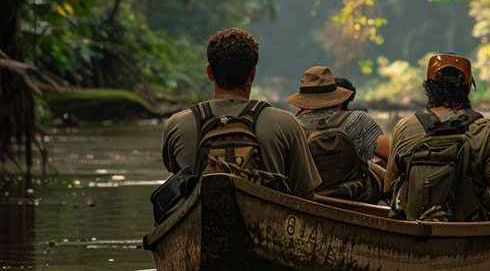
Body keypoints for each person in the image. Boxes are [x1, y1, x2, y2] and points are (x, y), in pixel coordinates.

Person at [161, 28, 321, 198]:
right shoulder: (286, 124)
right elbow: (305, 196)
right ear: (253, 73)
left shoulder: (177, 124)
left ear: (209, 73)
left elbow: (175, 177)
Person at [384, 53, 490, 221]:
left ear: (428, 87)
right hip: (468, 228)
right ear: (468, 87)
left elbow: (389, 188)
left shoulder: (403, 127)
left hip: (414, 224)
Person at [289, 66, 389, 203]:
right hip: (355, 200)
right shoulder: (358, 120)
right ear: (335, 95)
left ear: (303, 100)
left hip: (310, 201)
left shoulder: (292, 126)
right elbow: (393, 154)